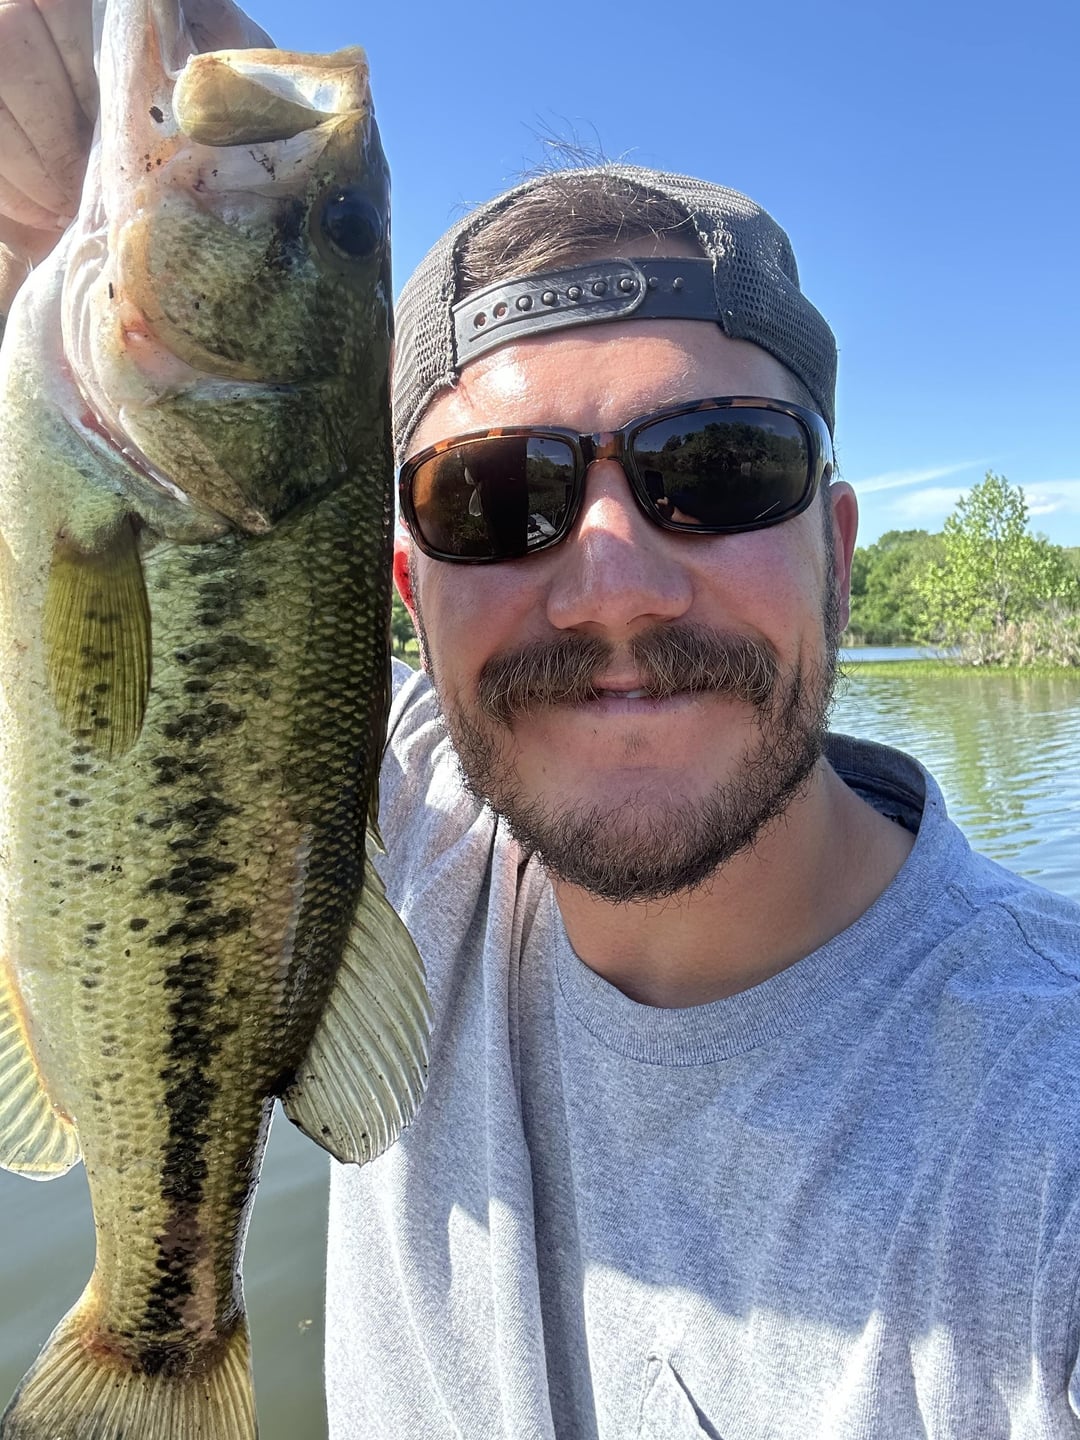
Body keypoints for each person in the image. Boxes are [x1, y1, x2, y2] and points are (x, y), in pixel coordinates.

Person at [4, 8, 1080, 1438]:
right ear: (407, 597)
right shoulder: (389, 819)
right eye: (495, 496)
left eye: (720, 466)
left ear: (835, 550)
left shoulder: (1047, 1129)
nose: (613, 582)